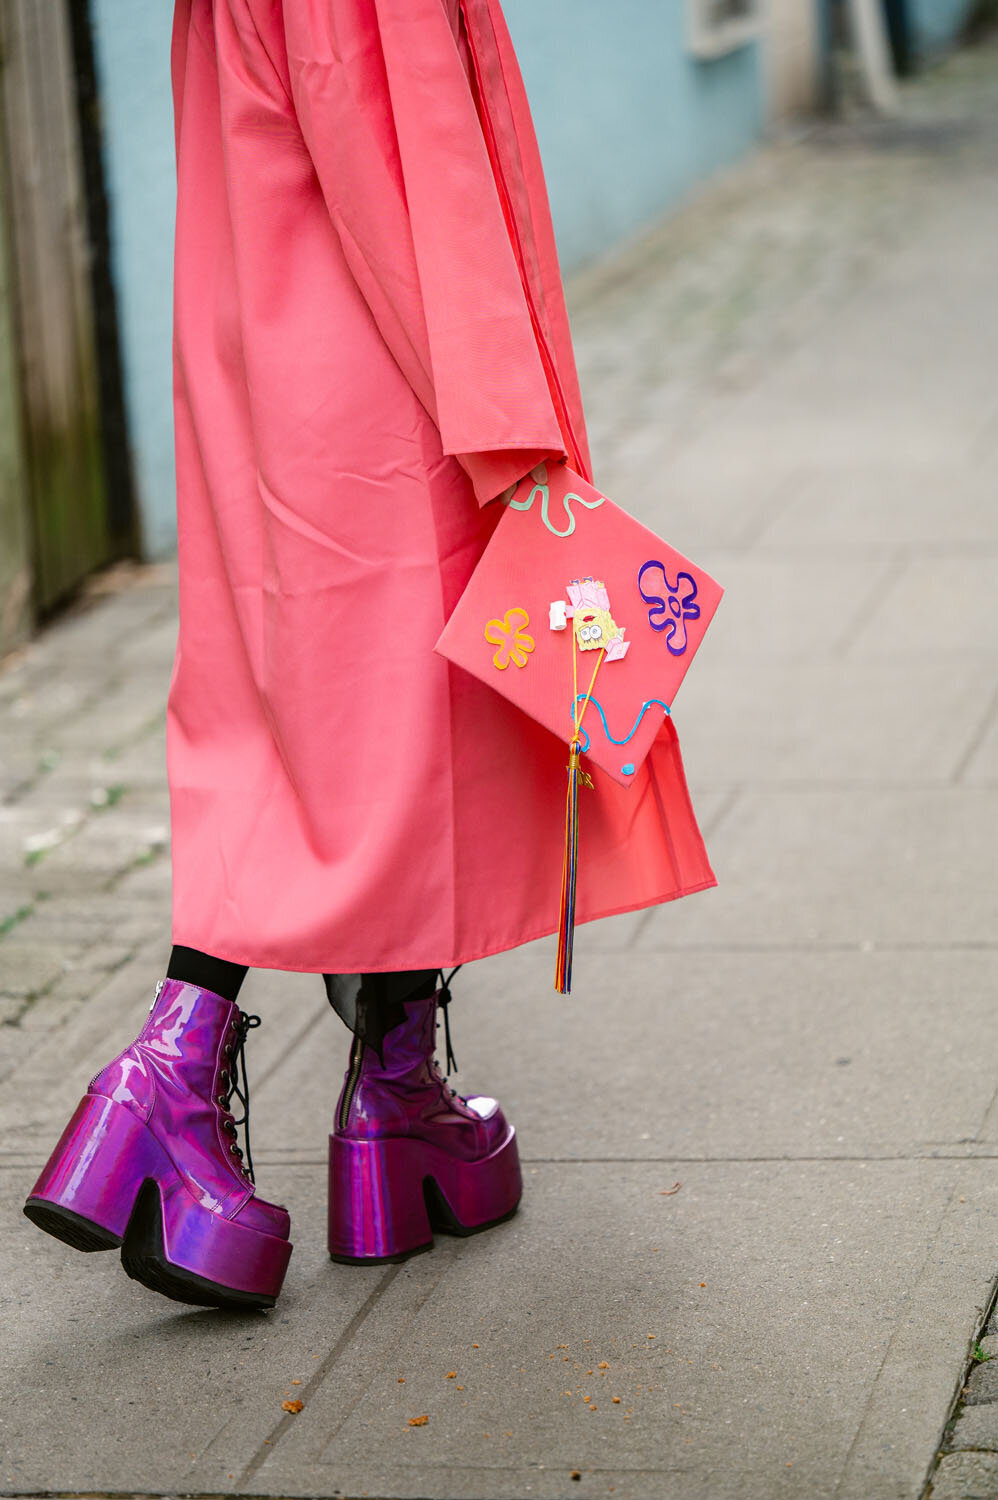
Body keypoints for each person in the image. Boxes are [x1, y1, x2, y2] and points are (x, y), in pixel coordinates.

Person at [23, 0, 714, 1310]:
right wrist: (516, 434)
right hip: (386, 386)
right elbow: (407, 177)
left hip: (264, 358)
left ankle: (384, 1098)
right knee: (409, 733)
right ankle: (193, 1085)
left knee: (299, 726)